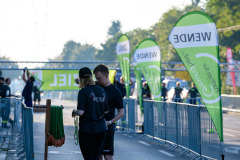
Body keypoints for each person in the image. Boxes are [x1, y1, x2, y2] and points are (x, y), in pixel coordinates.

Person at [72, 67, 108, 160]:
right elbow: (106, 111)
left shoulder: (83, 92)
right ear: (92, 77)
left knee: (88, 158)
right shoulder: (101, 90)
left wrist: (74, 112)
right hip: (101, 129)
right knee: (96, 157)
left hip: (87, 130)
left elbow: (80, 112)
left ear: (80, 79)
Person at [93, 64, 124, 160]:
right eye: (96, 78)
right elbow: (78, 81)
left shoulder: (115, 91)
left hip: (108, 127)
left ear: (106, 75)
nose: (98, 80)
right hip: (95, 126)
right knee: (97, 155)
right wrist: (88, 80)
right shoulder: (96, 86)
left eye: (99, 78)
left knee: (108, 155)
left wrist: (110, 122)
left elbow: (121, 112)